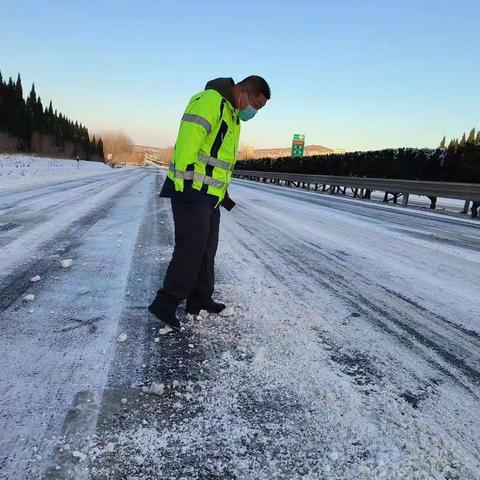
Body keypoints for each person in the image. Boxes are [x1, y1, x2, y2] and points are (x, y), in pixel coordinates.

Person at [148, 75, 270, 329]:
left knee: (207, 249)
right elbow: (188, 141)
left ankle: (200, 299)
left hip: (210, 195)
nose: (254, 112)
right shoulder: (211, 101)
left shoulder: (233, 115)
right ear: (244, 92)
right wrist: (183, 184)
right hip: (191, 190)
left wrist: (222, 194)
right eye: (256, 106)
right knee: (190, 249)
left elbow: (217, 161)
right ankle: (166, 303)